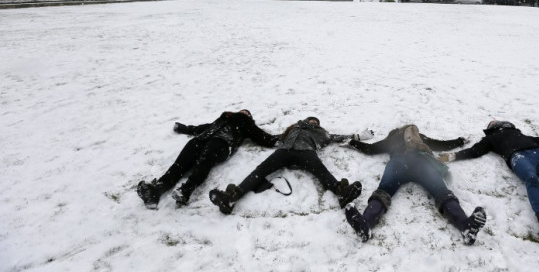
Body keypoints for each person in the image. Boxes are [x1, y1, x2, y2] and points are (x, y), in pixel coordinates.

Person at [344, 124, 487, 245]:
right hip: (420, 163)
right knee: (441, 191)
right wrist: (352, 142)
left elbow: (371, 149)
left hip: (400, 164)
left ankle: (366, 223)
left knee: (384, 190)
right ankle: (365, 226)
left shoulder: (394, 140)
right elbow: (440, 144)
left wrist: (460, 141)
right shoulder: (413, 139)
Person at [209, 116, 369, 214]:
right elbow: (271, 138)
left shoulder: (321, 133)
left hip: (306, 152)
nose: (312, 121)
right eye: (310, 119)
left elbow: (336, 137)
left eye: (315, 121)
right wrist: (246, 134)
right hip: (284, 151)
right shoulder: (293, 129)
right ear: (305, 120)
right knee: (260, 170)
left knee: (321, 170)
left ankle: (341, 192)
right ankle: (232, 197)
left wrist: (356, 136)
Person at [137, 109, 279, 209]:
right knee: (180, 164)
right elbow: (203, 127)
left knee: (204, 162)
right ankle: (156, 191)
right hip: (203, 138)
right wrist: (185, 128)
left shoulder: (246, 123)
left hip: (223, 143)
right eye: (242, 111)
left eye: (246, 112)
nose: (243, 112)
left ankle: (185, 191)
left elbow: (260, 135)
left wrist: (277, 141)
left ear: (248, 116)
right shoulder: (223, 118)